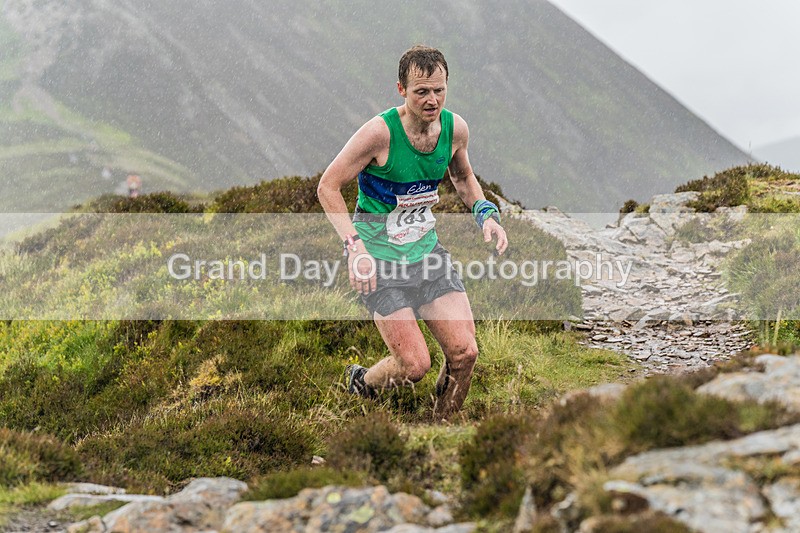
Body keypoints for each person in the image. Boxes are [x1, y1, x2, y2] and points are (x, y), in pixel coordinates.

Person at [317, 45, 508, 419]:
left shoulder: (455, 129)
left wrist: (486, 213)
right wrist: (355, 249)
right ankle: (361, 382)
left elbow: (463, 176)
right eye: (421, 91)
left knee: (465, 353)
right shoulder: (379, 133)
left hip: (426, 254)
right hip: (380, 262)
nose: (432, 99)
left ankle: (440, 427)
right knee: (414, 366)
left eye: (439, 90)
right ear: (401, 90)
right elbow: (328, 186)